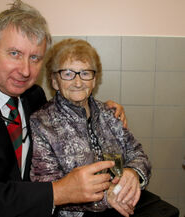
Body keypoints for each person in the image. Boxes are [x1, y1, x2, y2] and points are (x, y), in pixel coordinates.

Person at [0, 1, 126, 217]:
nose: (25, 71)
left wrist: (101, 111)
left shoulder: (33, 95)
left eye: (35, 58)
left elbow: (62, 116)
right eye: (14, 54)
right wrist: (59, 192)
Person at [30, 38, 152, 217]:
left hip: (123, 207)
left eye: (85, 73)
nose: (78, 82)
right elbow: (47, 187)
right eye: (68, 74)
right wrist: (106, 197)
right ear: (55, 81)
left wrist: (133, 173)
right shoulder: (41, 123)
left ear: (94, 80)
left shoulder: (110, 114)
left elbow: (138, 154)